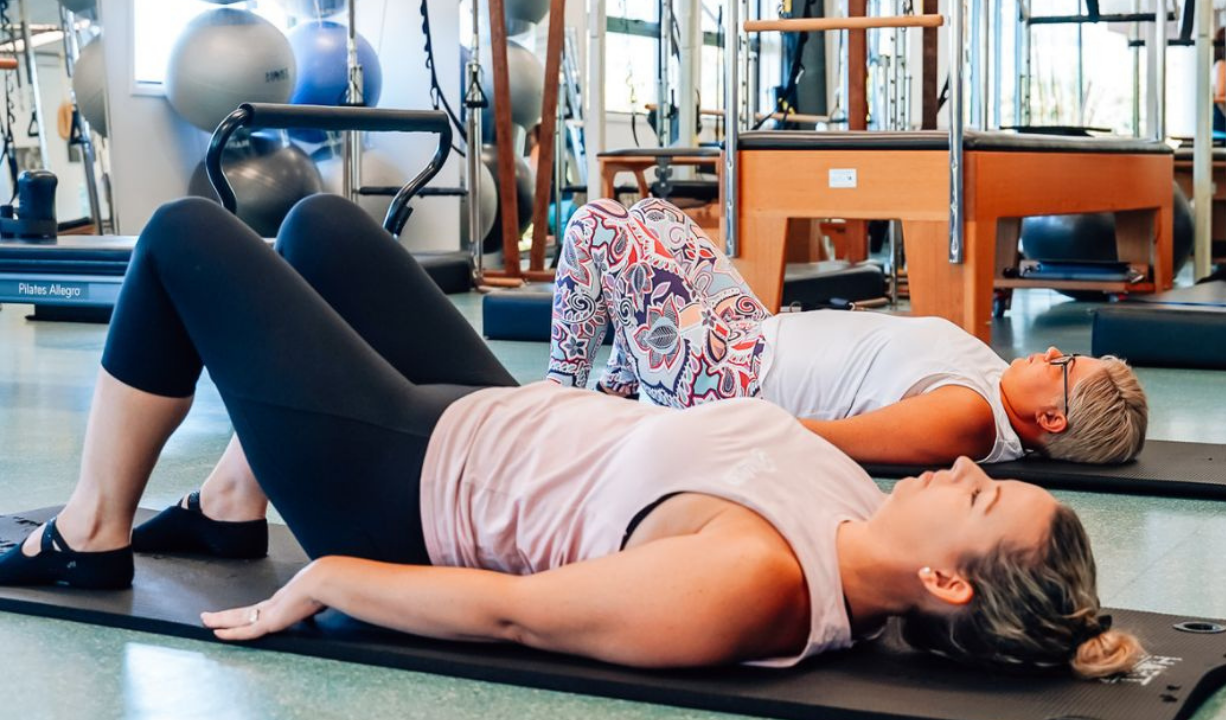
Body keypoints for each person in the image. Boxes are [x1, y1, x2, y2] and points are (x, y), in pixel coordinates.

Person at [0, 195, 1141, 678]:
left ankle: (90, 532)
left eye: (980, 495)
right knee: (321, 225)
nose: (957, 465)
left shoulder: (751, 584)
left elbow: (513, 614)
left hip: (405, 478)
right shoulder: (850, 499)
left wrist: (333, 578)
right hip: (492, 409)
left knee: (184, 237)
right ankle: (231, 508)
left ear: (944, 578)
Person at [546, 198, 1148, 466]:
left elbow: (830, 439)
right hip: (749, 332)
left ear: (1052, 420)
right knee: (655, 216)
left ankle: (558, 404)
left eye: (1065, 366)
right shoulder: (995, 386)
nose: (1050, 353)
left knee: (594, 226)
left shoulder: (968, 419)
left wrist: (697, 428)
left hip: (723, 378)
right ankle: (623, 396)